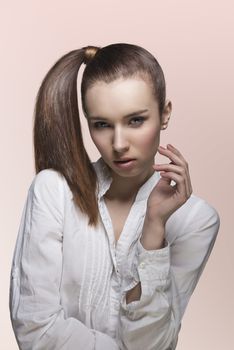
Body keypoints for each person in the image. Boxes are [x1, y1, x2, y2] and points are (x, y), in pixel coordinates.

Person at [9, 43, 220, 350]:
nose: (118, 143)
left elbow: (153, 343)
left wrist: (154, 231)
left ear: (165, 114)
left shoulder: (196, 220)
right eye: (102, 125)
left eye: (135, 120)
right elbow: (35, 330)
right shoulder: (52, 191)